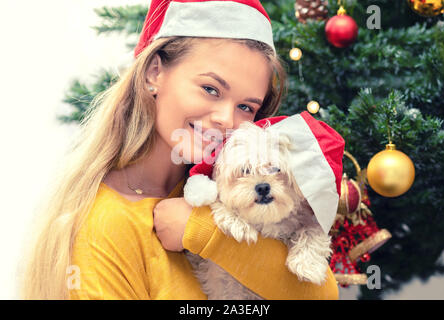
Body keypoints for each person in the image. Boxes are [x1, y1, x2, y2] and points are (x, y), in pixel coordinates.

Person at [21, 0, 339, 299]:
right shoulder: (105, 227)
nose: (227, 119)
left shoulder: (227, 192)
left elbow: (321, 291)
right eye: (210, 89)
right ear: (154, 73)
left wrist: (201, 232)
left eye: (245, 106)